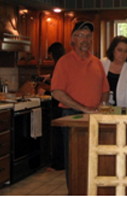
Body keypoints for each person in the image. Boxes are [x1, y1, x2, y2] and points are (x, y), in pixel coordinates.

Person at [51, 21, 110, 189]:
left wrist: (102, 103)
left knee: (96, 159)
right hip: (72, 117)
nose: (85, 39)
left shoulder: (96, 62)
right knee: (76, 161)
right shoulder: (64, 62)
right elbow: (57, 92)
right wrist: (83, 108)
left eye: (88, 36)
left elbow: (105, 89)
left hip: (95, 117)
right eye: (81, 35)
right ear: (72, 39)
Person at [37, 42, 66, 171]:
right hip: (62, 105)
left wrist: (46, 91)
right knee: (61, 135)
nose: (50, 58)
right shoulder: (64, 64)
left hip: (58, 105)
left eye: (51, 55)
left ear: (54, 54)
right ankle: (61, 163)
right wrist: (49, 79)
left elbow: (60, 89)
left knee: (58, 135)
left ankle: (58, 164)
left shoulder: (59, 65)